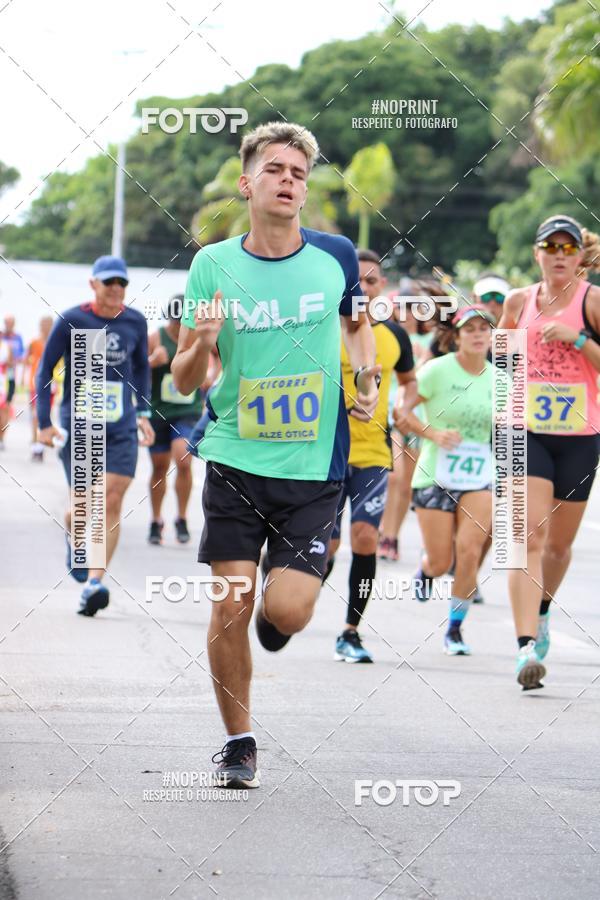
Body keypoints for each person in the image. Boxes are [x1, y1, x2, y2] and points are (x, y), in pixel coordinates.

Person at [172, 121, 380, 789]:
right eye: (276, 170)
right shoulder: (212, 264)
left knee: (285, 611)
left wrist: (367, 379)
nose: (289, 181)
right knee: (228, 604)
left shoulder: (336, 255)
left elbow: (356, 322)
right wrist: (202, 341)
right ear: (247, 182)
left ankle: (277, 610)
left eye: (298, 173)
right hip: (235, 456)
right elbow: (180, 379)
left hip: (314, 465)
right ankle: (239, 740)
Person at [498, 214, 600, 689]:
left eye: (567, 248)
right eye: (550, 247)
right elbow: (500, 359)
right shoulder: (520, 301)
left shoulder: (593, 302)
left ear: (579, 256)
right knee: (527, 536)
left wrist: (578, 339)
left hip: (579, 436)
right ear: (536, 253)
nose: (559, 256)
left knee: (558, 547)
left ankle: (541, 612)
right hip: (525, 431)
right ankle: (523, 649)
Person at [36, 255, 154, 615]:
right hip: (82, 424)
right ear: (94, 285)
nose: (116, 289)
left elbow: (142, 370)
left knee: (112, 500)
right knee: (82, 509)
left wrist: (145, 412)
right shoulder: (74, 320)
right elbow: (45, 371)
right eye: (109, 283)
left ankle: (94, 583)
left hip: (120, 426)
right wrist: (43, 422)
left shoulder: (134, 321)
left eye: (122, 283)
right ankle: (77, 540)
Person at [326, 249, 417, 662]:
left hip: (373, 453)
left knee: (365, 538)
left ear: (383, 288)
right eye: (357, 281)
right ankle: (291, 595)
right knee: (325, 549)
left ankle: (350, 630)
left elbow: (409, 381)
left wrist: (405, 407)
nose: (365, 287)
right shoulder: (327, 327)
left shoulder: (395, 336)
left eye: (373, 281)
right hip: (324, 452)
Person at [395, 305, 496, 655]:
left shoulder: (502, 380)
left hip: (480, 476)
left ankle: (455, 628)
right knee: (441, 561)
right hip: (435, 474)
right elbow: (401, 412)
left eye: (484, 328)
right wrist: (433, 433)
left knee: (468, 552)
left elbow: (517, 431)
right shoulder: (436, 371)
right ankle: (426, 572)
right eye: (470, 329)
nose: (478, 334)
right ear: (455, 336)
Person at [378, 283, 440, 561]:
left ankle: (391, 536)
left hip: (417, 416)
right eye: (403, 306)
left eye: (415, 307)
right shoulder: (389, 337)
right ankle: (381, 529)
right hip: (391, 412)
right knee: (394, 475)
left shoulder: (433, 342)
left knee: (407, 483)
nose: (408, 313)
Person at [147, 295, 203, 545]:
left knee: (183, 460)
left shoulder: (197, 336)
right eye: (177, 322)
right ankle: (156, 520)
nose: (181, 327)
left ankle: (181, 517)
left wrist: (211, 374)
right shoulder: (155, 338)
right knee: (159, 466)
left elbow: (221, 357)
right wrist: (152, 362)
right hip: (159, 411)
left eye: (185, 322)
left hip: (187, 410)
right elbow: (136, 371)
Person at [26, 316, 53, 461]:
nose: (46, 327)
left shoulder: (56, 342)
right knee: (36, 415)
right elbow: (26, 361)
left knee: (45, 415)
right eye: (43, 324)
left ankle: (40, 445)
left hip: (52, 384)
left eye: (48, 324)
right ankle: (36, 445)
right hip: (35, 383)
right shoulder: (34, 342)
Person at [0, 315, 24, 448]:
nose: (8, 325)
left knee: (6, 408)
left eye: (11, 323)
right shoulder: (2, 338)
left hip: (8, 379)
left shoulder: (17, 338)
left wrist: (11, 362)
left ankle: (2, 438)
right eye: (6, 322)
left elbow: (21, 357)